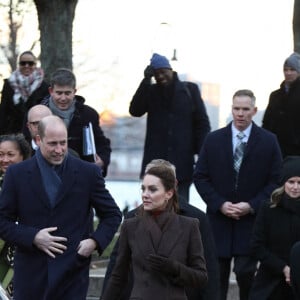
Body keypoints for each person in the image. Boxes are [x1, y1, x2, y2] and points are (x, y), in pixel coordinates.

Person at [0, 115, 122, 300]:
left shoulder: (88, 173)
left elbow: (112, 214)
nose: (59, 150)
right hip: (31, 276)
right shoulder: (17, 174)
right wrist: (33, 237)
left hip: (72, 274)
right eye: (53, 144)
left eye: (63, 143)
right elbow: (2, 222)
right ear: (38, 140)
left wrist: (94, 242)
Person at [193, 89, 282, 300]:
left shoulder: (269, 141)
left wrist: (252, 205)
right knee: (217, 278)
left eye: (245, 109)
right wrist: (220, 204)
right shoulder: (213, 139)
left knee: (245, 274)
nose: (240, 113)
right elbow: (200, 176)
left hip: (251, 221)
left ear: (254, 110)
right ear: (231, 109)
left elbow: (276, 180)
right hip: (218, 220)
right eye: (236, 108)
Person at [101, 159, 220, 300]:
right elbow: (117, 270)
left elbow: (208, 272)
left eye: (153, 188)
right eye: (144, 187)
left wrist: (175, 268)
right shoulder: (132, 219)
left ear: (172, 187)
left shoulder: (196, 220)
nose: (146, 193)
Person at [129, 53, 211, 202]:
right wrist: (146, 80)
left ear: (170, 70)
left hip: (182, 163)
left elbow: (202, 124)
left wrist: (202, 153)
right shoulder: (151, 91)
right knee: (153, 208)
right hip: (155, 164)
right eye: (156, 74)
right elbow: (135, 110)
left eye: (162, 72)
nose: (160, 76)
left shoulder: (189, 90)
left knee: (181, 208)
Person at [40, 68, 111, 176]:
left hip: (81, 173)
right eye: (59, 93)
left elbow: (102, 143)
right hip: (44, 172)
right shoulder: (38, 113)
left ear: (74, 92)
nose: (63, 98)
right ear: (51, 91)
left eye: (67, 93)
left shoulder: (88, 114)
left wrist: (102, 161)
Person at [250, 156, 300, 300]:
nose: (295, 187)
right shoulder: (268, 208)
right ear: (283, 183)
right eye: (291, 182)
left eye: (299, 182)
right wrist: (283, 268)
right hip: (270, 279)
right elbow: (256, 246)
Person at [0, 134, 31, 297]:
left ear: (22, 156)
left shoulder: (31, 181)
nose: (5, 159)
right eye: (0, 154)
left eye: (10, 154)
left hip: (21, 252)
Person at [0, 51, 49, 135]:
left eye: (30, 63)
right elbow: (3, 111)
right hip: (12, 133)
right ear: (19, 64)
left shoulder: (44, 86)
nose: (27, 66)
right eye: (23, 63)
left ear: (35, 64)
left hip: (36, 133)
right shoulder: (9, 84)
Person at [262, 52, 300, 158]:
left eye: (292, 70)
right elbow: (266, 123)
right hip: (276, 149)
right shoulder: (275, 96)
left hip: (296, 152)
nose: (288, 73)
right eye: (286, 69)